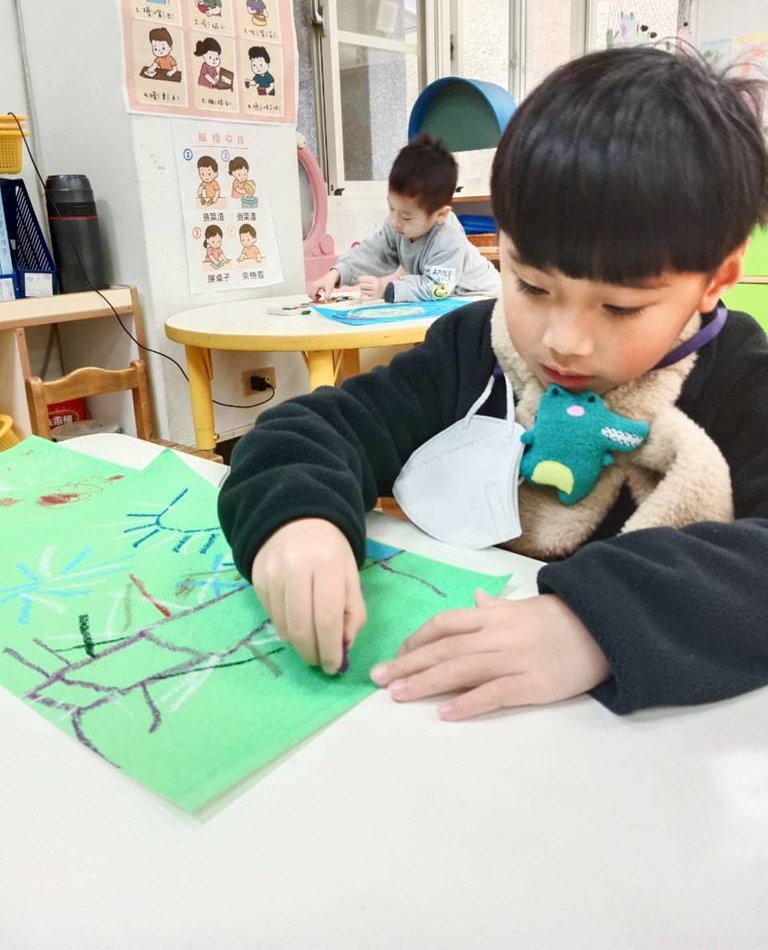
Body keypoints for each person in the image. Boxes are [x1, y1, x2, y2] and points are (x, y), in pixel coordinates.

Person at [217, 47, 768, 723]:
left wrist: (595, 622)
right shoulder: (473, 348)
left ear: (715, 279)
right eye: (531, 285)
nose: (564, 341)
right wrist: (298, 520)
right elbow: (314, 430)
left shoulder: (741, 378)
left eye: (620, 307)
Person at [308, 133, 501, 303]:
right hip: (448, 300)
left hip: (483, 298)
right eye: (391, 208)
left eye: (407, 217)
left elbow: (437, 287)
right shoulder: (397, 224)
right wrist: (336, 273)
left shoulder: (449, 239)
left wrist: (387, 289)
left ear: (440, 215)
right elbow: (374, 252)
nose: (395, 221)